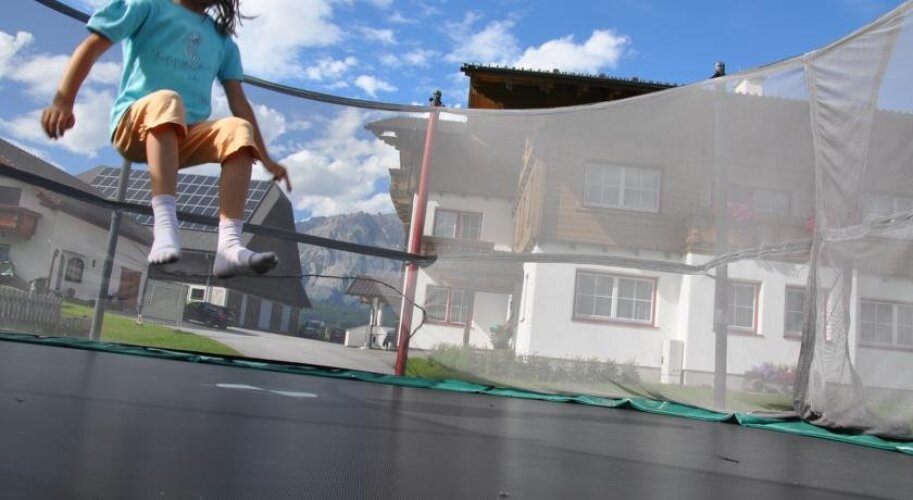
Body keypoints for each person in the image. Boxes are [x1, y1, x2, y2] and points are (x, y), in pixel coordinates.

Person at [41, 0, 291, 279]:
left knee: (239, 129)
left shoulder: (222, 41)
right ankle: (164, 227)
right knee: (168, 100)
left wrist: (266, 159)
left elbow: (239, 102)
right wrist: (64, 100)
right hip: (134, 125)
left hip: (181, 136)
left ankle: (229, 248)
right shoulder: (147, 5)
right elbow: (93, 45)